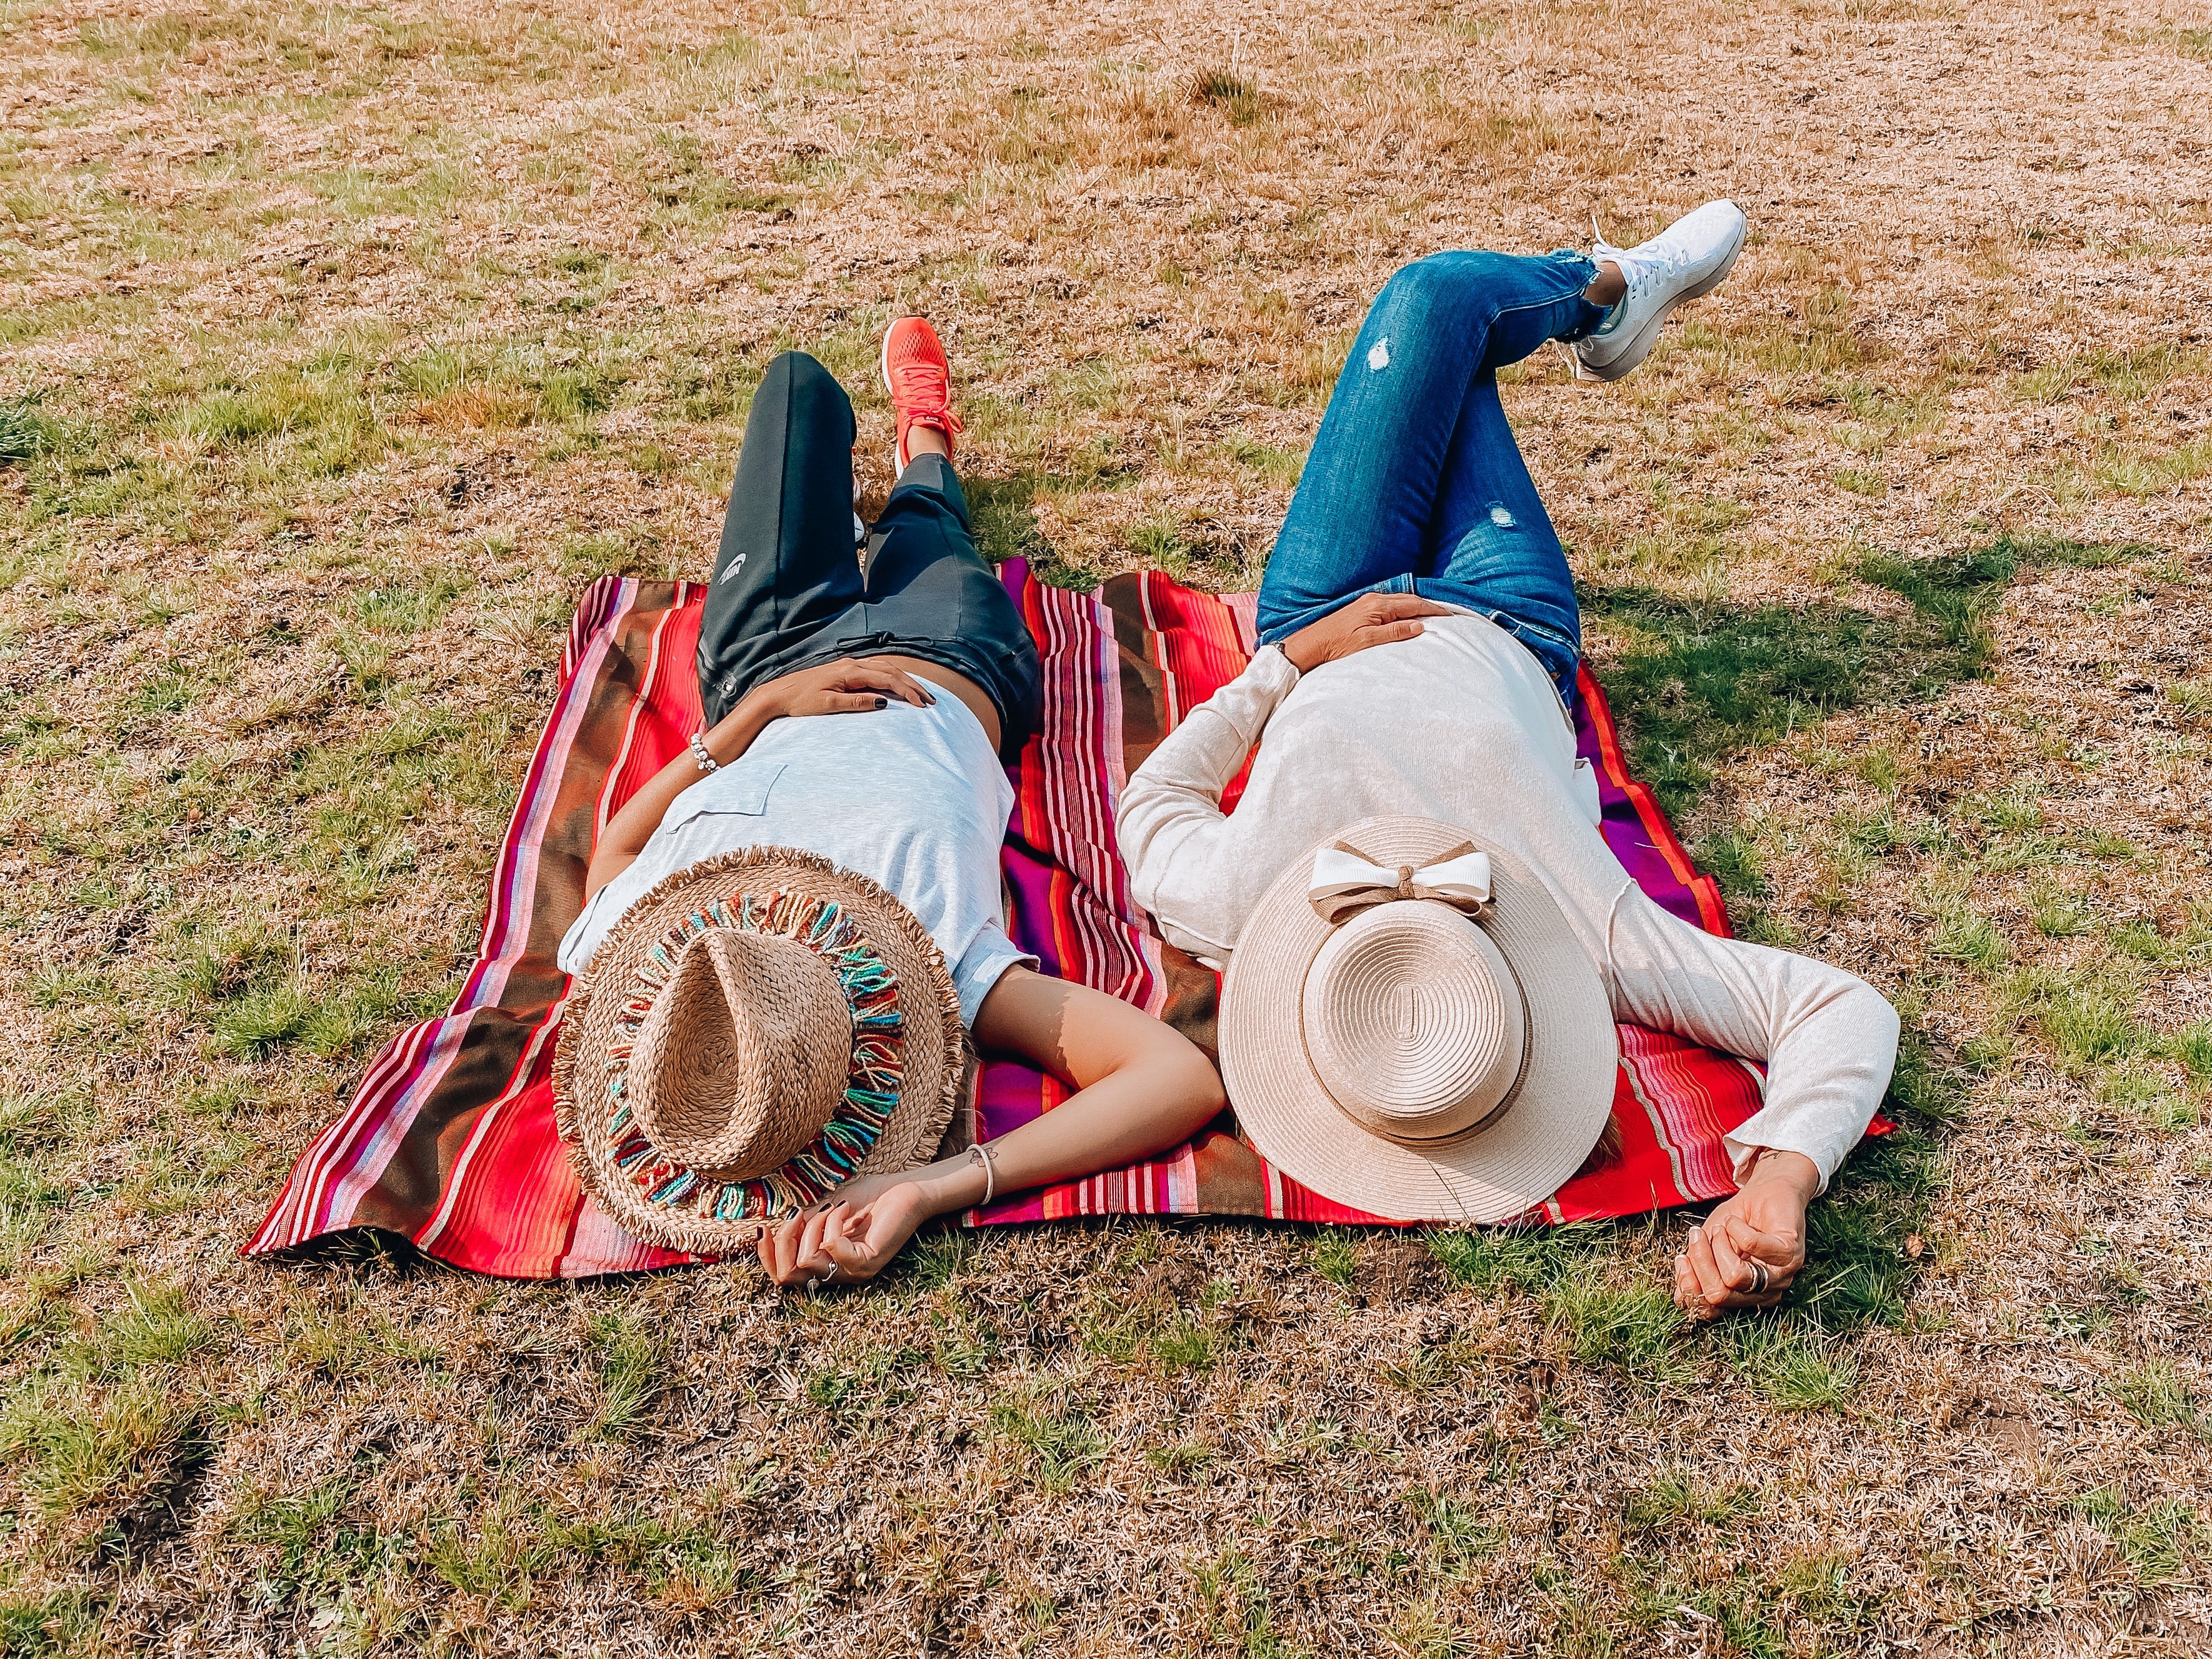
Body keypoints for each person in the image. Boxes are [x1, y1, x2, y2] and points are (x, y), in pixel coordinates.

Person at [1114, 202, 1901, 1321]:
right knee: (1446, 315)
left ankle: (1605, 289)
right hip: (1507, 615)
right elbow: (1841, 1009)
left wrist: (1283, 666)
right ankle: (1607, 293)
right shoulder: (1590, 933)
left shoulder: (1240, 901)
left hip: (1327, 605)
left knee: (1437, 309)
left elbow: (1154, 797)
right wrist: (1781, 1181)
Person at [552, 321, 1224, 1288]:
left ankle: (894, 475)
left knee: (797, 391)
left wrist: (745, 724)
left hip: (767, 668)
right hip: (948, 662)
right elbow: (1178, 1077)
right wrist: (938, 1185)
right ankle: (926, 442)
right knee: (926, 526)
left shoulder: (661, 953)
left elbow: (613, 854)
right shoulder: (929, 961)